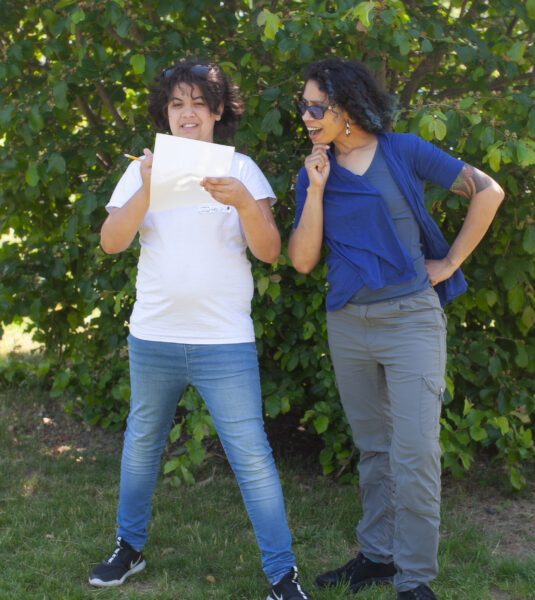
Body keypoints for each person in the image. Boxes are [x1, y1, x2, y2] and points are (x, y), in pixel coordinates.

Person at [89, 60, 312, 600]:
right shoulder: (143, 169)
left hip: (224, 341)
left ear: (217, 112)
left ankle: (282, 576)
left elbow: (270, 251)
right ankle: (128, 548)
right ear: (165, 113)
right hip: (154, 336)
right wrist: (148, 188)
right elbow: (111, 242)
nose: (186, 113)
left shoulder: (241, 169)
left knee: (251, 456)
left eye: (197, 103)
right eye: (176, 104)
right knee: (142, 444)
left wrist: (243, 203)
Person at [288, 58, 505, 600]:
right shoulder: (313, 171)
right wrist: (315, 190)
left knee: (415, 454)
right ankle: (377, 556)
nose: (307, 117)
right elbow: (303, 261)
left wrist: (450, 263)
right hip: (348, 323)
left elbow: (489, 191)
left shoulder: (403, 150)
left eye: (316, 107)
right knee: (373, 448)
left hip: (411, 321)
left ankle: (414, 580)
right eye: (303, 107)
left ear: (346, 107)